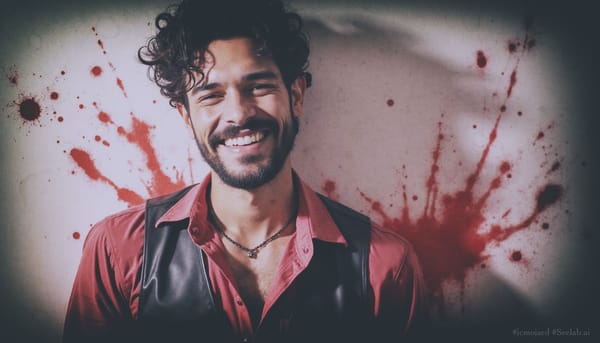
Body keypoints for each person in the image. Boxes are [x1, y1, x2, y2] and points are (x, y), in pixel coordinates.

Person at [63, 0, 425, 342]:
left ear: (296, 96)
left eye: (259, 86)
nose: (238, 114)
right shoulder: (117, 251)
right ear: (186, 116)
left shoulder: (387, 267)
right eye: (211, 95)